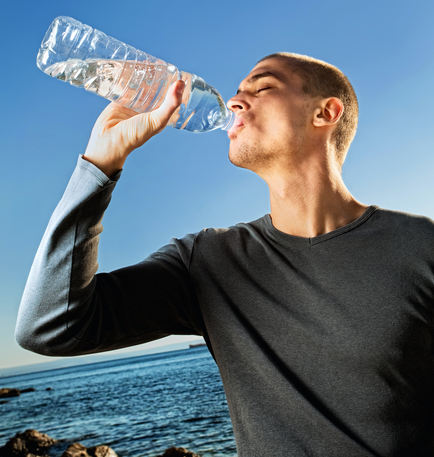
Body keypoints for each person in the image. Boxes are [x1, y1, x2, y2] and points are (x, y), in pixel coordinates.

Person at [16, 53, 434, 456]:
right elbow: (49, 326)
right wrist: (100, 165)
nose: (234, 101)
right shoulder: (207, 263)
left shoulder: (420, 245)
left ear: (325, 113)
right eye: (236, 91)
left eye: (263, 86)